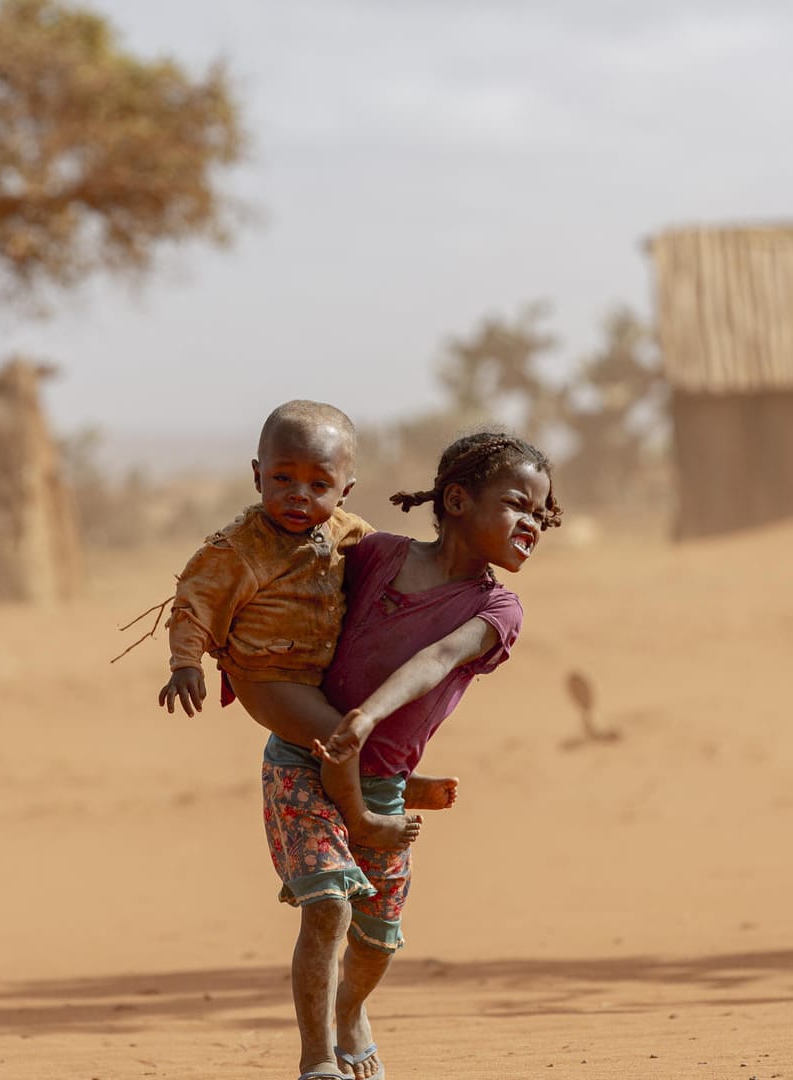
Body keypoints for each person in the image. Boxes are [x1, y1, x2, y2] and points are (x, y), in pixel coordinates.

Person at [245, 430, 561, 1080]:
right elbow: (294, 571)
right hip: (304, 761)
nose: (532, 522)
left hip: (380, 776)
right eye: (516, 504)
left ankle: (350, 1010)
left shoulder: (497, 608)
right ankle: (316, 1063)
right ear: (456, 500)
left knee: (376, 936)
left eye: (542, 513)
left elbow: (438, 657)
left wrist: (369, 718)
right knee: (328, 902)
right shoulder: (376, 553)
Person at [158, 400, 421, 848]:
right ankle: (361, 819)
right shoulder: (241, 547)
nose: (299, 494)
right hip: (265, 676)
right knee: (341, 735)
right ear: (258, 476)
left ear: (345, 490)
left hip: (316, 672)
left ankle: (387, 780)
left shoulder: (346, 530)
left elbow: (393, 560)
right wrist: (185, 663)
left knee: (364, 721)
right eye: (283, 479)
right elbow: (194, 602)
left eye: (319, 484)